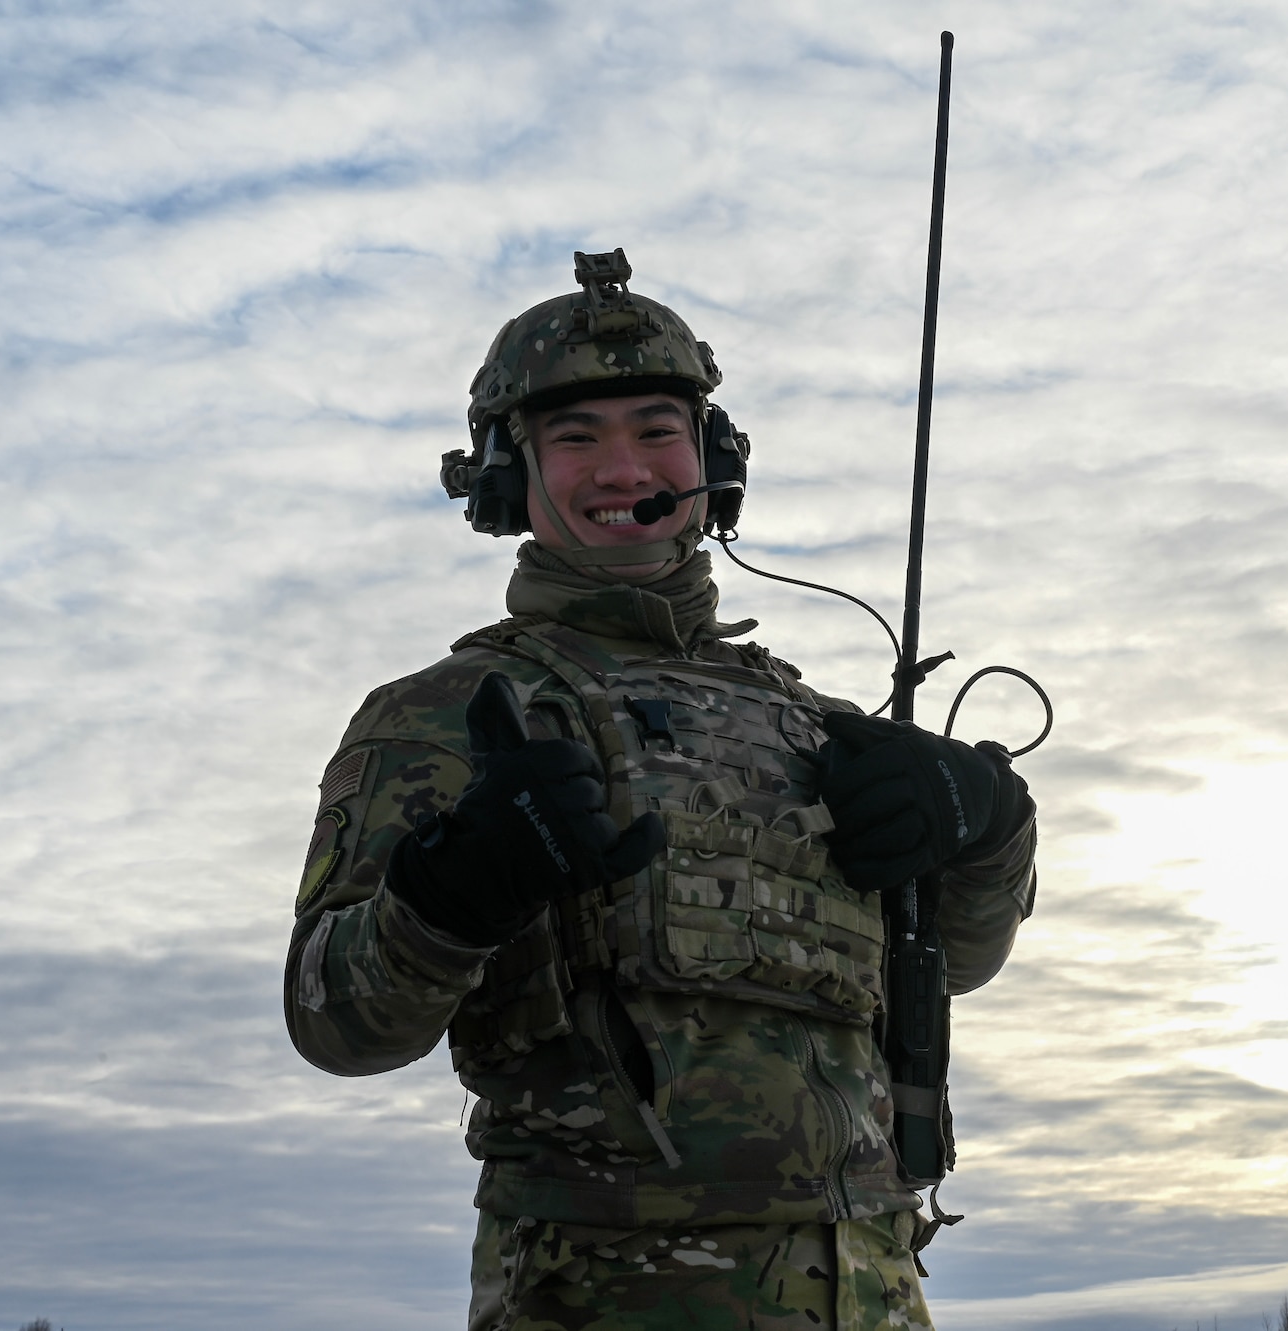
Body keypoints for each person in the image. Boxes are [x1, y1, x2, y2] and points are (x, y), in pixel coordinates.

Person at [282, 249, 1038, 1331]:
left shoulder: (818, 726)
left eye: (655, 428)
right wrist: (451, 895)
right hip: (597, 1291)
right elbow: (332, 1019)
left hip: (871, 1287)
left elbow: (955, 961)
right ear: (511, 478)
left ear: (712, 459)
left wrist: (987, 824)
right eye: (574, 438)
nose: (620, 466)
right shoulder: (456, 709)